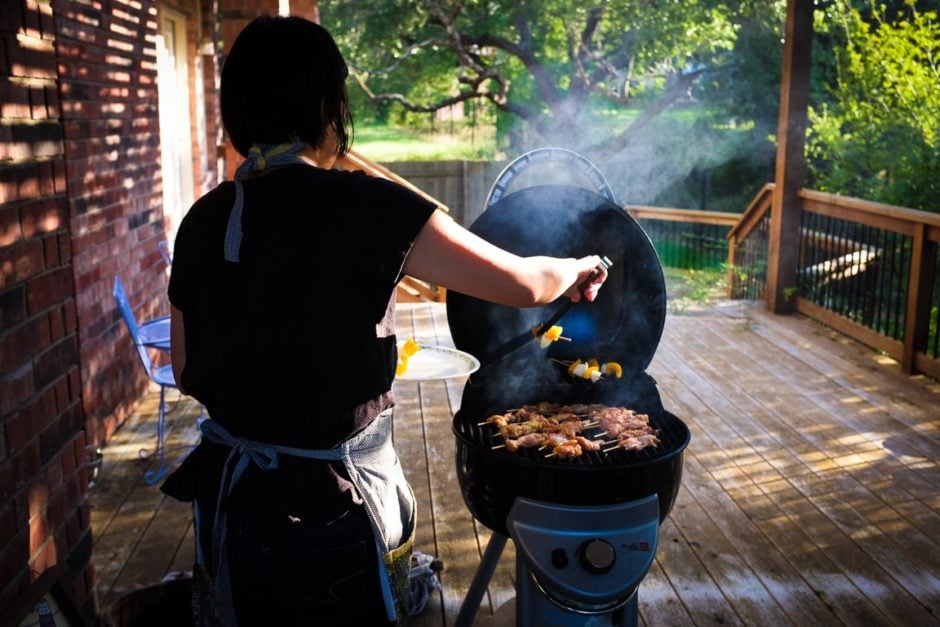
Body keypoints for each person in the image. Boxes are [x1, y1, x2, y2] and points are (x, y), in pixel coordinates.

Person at [161, 13, 609, 627]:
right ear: (326, 103)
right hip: (335, 510)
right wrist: (580, 263)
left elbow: (186, 369)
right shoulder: (371, 206)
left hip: (234, 506)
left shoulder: (203, 219)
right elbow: (525, 284)